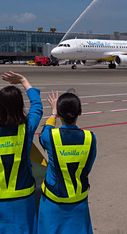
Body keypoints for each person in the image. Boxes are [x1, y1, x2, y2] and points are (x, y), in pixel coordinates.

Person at [0, 72, 43, 234]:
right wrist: (24, 81)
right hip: (22, 196)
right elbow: (37, 107)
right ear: (20, 107)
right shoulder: (26, 129)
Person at [38, 91, 97, 234]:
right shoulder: (90, 138)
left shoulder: (50, 136)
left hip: (53, 202)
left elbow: (45, 130)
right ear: (80, 112)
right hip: (79, 202)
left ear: (59, 113)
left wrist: (52, 114)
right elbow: (87, 168)